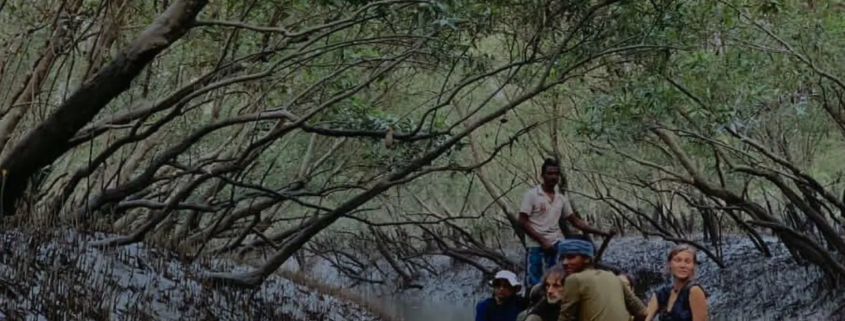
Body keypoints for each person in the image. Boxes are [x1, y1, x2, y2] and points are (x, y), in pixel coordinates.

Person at [519, 158, 611, 289]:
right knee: (534, 280)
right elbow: (522, 220)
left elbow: (575, 221)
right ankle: (533, 304)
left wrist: (599, 232)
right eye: (550, 173)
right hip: (536, 244)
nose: (553, 177)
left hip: (557, 242)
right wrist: (542, 240)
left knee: (558, 275)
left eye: (556, 174)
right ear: (542, 175)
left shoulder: (561, 199)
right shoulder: (532, 195)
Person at [557, 238, 648, 321]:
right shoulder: (613, 276)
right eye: (563, 258)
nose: (565, 262)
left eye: (571, 257)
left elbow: (565, 318)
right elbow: (643, 312)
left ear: (587, 259)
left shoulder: (574, 279)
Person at [644, 245, 708, 321]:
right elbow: (646, 317)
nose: (682, 265)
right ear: (669, 264)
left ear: (693, 266)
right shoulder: (662, 293)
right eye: (677, 260)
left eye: (687, 261)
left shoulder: (694, 291)